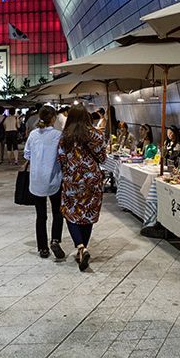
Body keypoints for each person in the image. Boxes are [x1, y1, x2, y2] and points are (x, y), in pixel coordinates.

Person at [57, 104, 107, 272]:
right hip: (92, 179)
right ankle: (83, 248)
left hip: (72, 178)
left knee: (71, 211)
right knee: (88, 211)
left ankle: (80, 247)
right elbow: (101, 157)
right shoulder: (96, 134)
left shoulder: (65, 136)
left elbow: (61, 158)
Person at [24, 106, 65, 260]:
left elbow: (27, 154)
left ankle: (43, 248)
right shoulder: (58, 135)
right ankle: (55, 239)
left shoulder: (33, 135)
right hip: (54, 179)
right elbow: (62, 155)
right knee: (57, 212)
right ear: (53, 118)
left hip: (36, 180)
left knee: (40, 216)